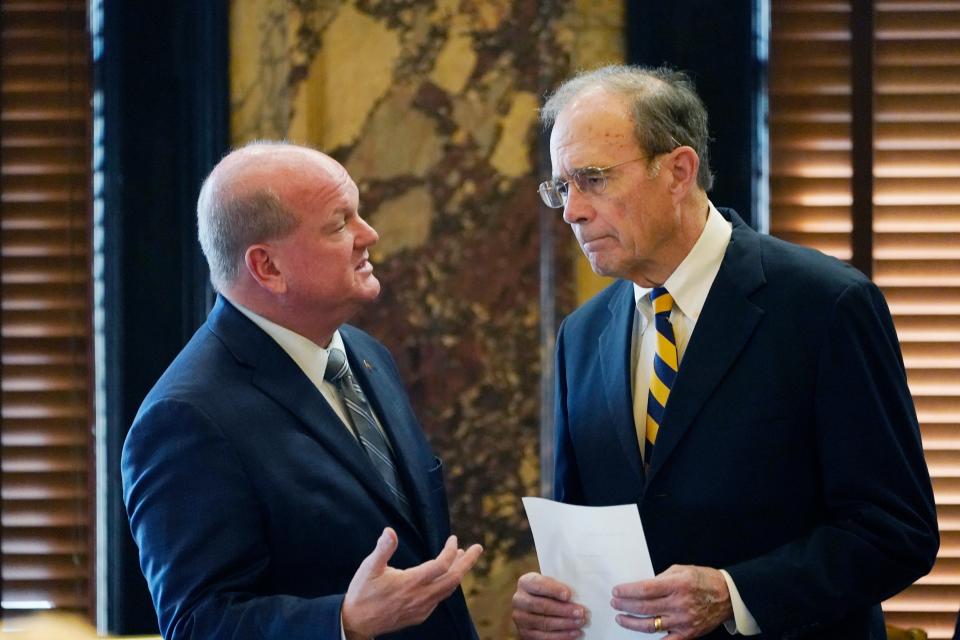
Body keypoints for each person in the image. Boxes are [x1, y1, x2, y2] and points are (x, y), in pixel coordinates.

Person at [512, 65, 939, 639]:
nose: (572, 211)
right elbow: (590, 530)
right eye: (562, 187)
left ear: (679, 171)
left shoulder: (825, 304)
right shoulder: (581, 336)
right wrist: (558, 599)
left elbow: (897, 531)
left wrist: (736, 594)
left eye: (593, 178)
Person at [122, 141, 482, 640]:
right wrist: (344, 622)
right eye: (339, 225)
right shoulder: (185, 418)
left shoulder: (367, 353)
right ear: (267, 267)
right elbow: (196, 624)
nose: (369, 234)